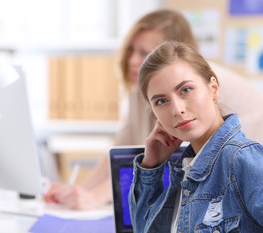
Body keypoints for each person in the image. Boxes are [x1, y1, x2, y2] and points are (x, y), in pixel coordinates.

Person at [44, 9, 263, 210]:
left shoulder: (199, 89)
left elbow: (179, 162)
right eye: (131, 50)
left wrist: (96, 198)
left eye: (144, 53)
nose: (132, 60)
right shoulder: (148, 89)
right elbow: (123, 148)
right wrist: (81, 190)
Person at [129, 40, 263, 233]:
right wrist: (151, 167)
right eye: (161, 101)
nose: (177, 109)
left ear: (214, 89)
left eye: (185, 90)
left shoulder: (242, 160)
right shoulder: (186, 169)